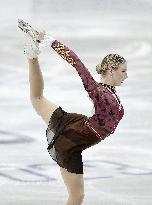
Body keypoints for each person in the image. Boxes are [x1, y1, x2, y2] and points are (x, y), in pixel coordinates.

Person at [18, 19, 128, 205]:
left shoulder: (110, 91)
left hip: (76, 129)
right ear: (111, 71)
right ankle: (32, 55)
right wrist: (52, 42)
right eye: (123, 71)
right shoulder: (98, 92)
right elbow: (77, 64)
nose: (126, 75)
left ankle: (32, 56)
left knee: (37, 99)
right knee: (77, 197)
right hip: (71, 138)